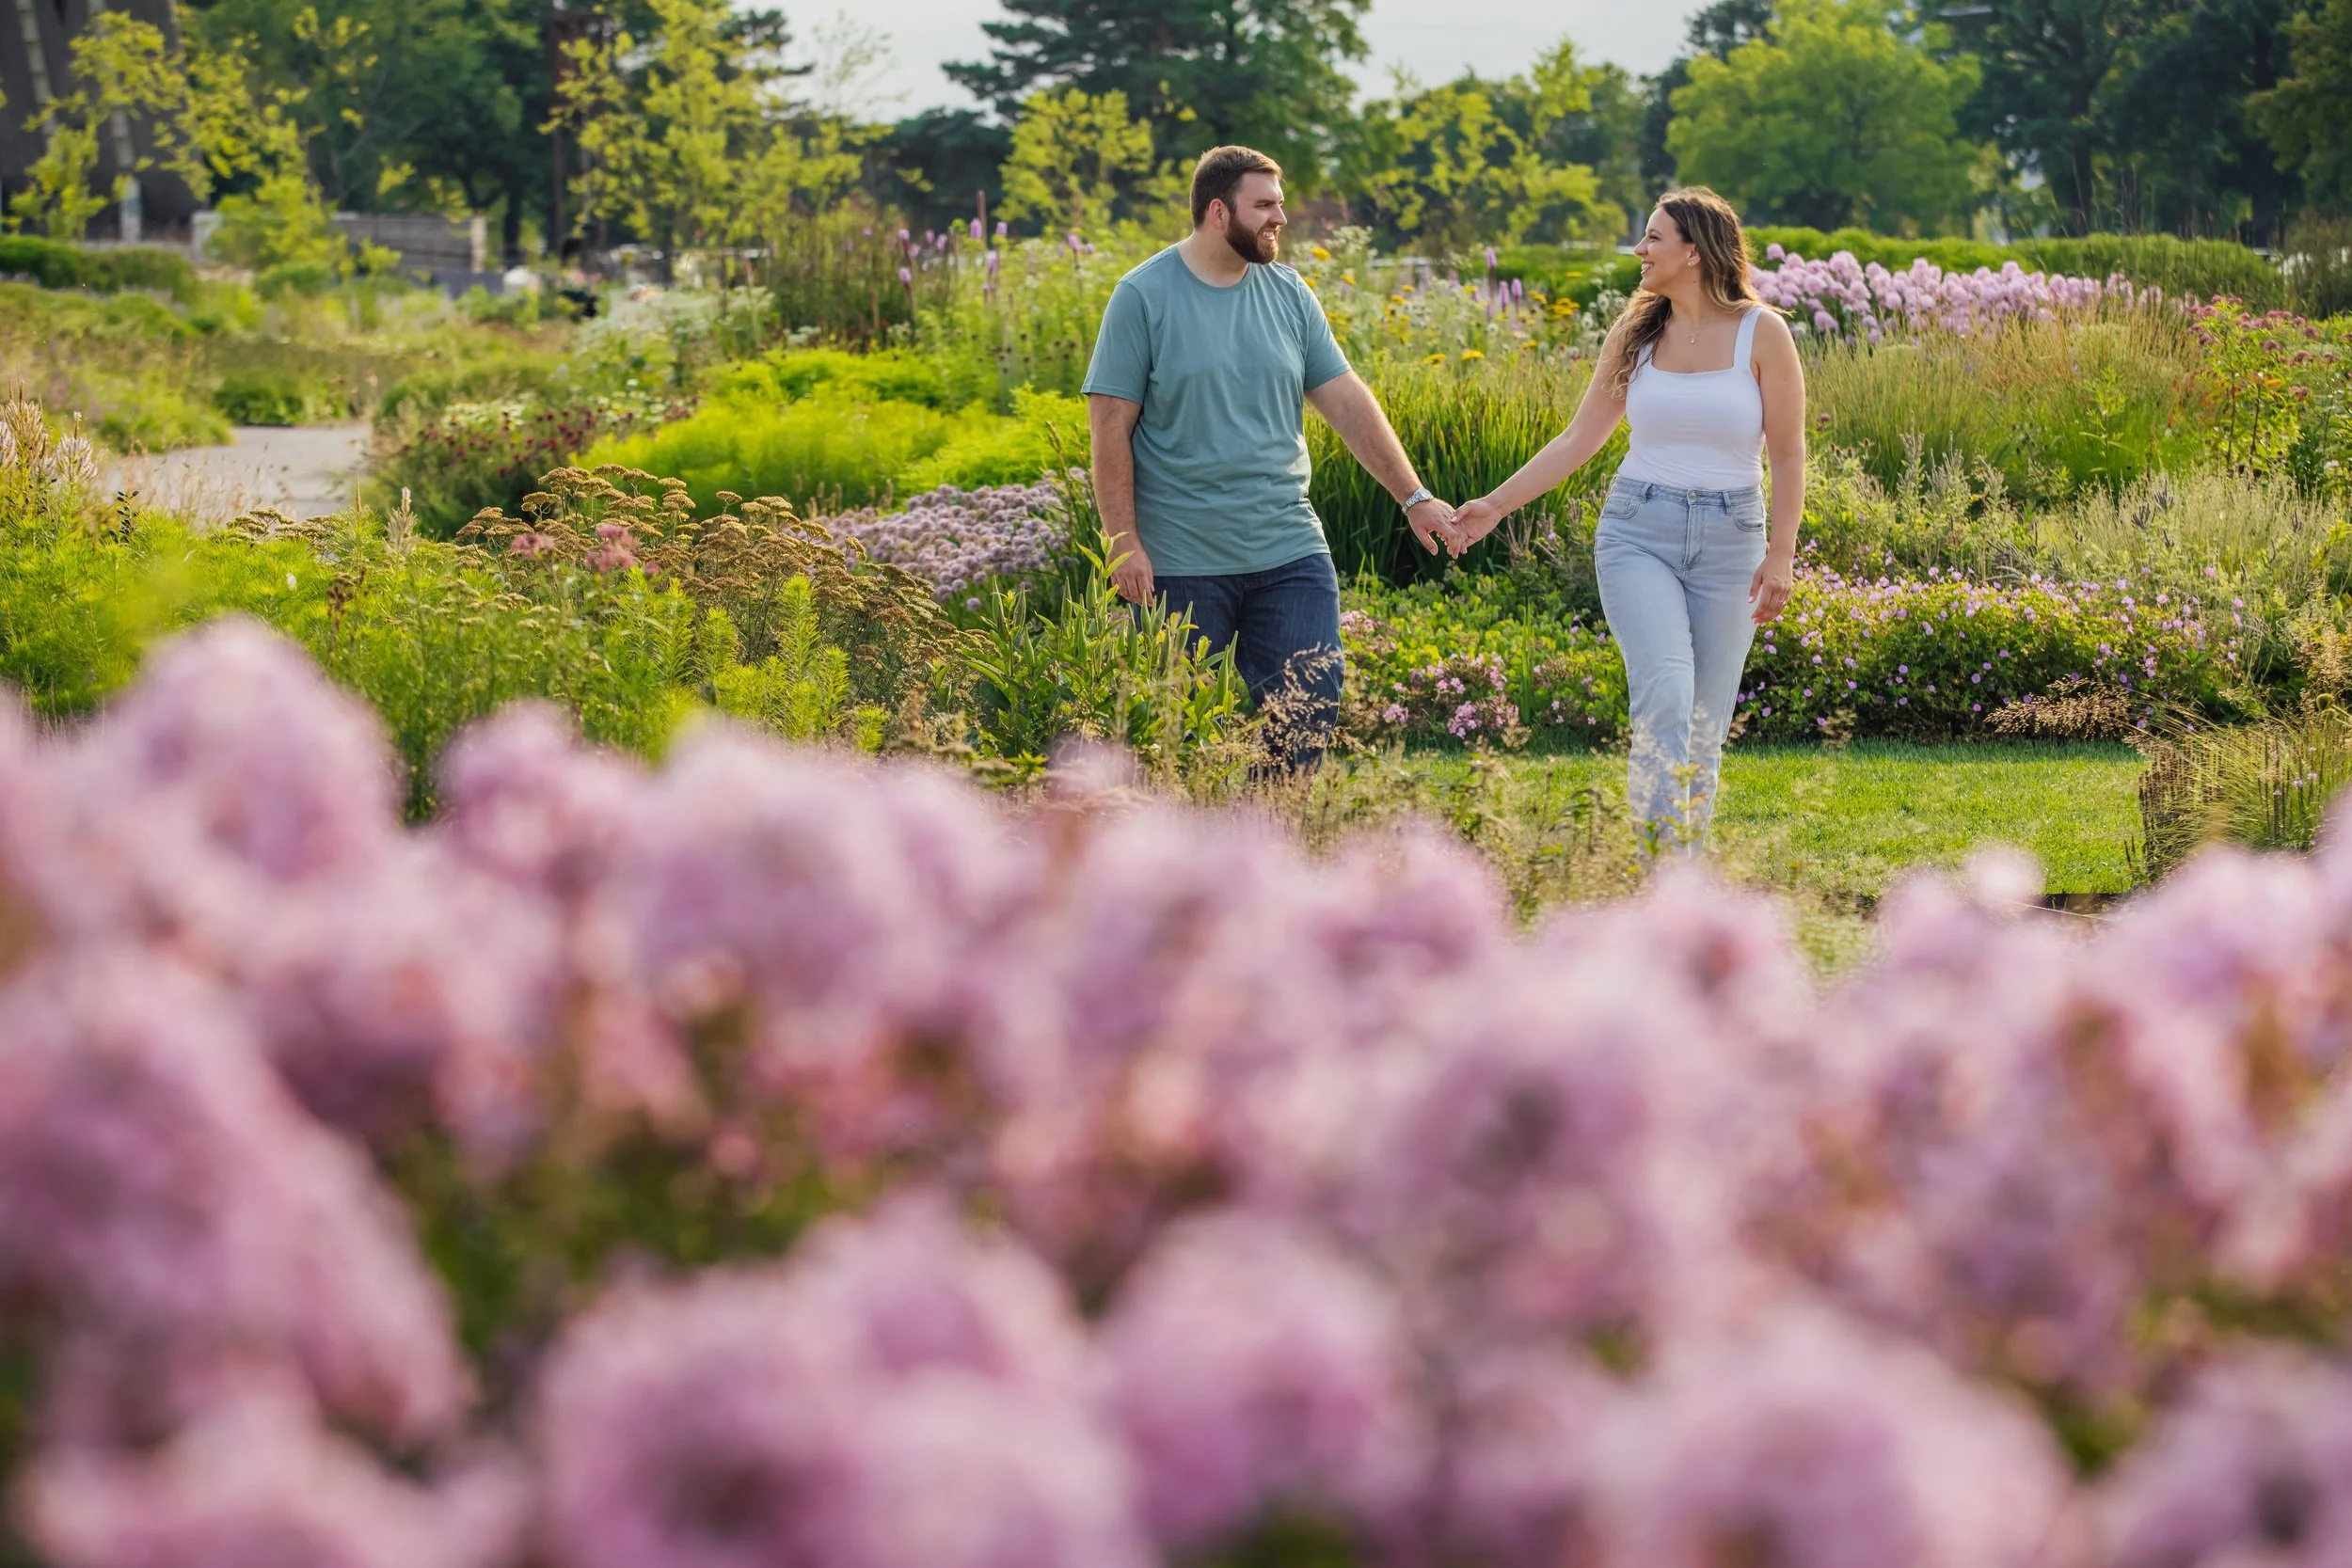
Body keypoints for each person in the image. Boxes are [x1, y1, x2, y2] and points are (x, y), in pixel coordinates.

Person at [1449, 187, 1806, 853]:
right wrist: (1494, 507)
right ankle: (1661, 871)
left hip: (1733, 539)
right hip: (1639, 532)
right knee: (1668, 692)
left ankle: (1681, 872)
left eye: (1652, 238)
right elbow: (1578, 439)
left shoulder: (1765, 333)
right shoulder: (1636, 332)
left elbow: (1787, 453)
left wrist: (1781, 552)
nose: (1639, 251)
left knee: (1705, 721)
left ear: (1693, 252)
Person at [1083, 144, 1458, 766]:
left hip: (1288, 548)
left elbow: (1346, 401)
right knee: (1176, 739)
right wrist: (1123, 542)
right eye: (1264, 205)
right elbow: (1108, 428)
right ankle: (1183, 859)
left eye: (1280, 204)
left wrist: (1413, 497)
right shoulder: (1143, 296)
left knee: (1307, 713)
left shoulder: (1289, 293)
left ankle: (1267, 842)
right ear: (1217, 212)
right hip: (1181, 561)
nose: (1280, 218)